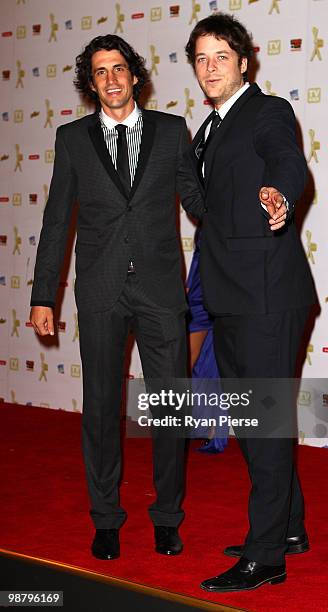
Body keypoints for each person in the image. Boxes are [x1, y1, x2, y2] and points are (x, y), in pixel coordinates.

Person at [30, 34, 203, 561]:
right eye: (100, 71)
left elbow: (197, 200)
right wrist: (43, 296)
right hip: (102, 292)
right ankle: (105, 518)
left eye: (118, 68)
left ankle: (167, 518)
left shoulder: (173, 132)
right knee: (102, 410)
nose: (110, 79)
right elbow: (58, 221)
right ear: (91, 82)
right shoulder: (72, 139)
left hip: (159, 292)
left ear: (135, 75)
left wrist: (243, 213)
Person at [185, 13, 316, 592]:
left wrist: (279, 193)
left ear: (245, 61)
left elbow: (286, 160)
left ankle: (266, 558)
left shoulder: (267, 112)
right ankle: (287, 528)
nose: (211, 67)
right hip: (230, 292)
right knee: (255, 418)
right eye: (201, 58)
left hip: (266, 292)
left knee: (261, 423)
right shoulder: (206, 129)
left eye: (222, 56)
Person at [187, 229, 228, 453]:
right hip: (200, 295)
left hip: (210, 296)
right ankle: (202, 426)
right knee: (198, 364)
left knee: (203, 364)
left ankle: (209, 428)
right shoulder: (206, 214)